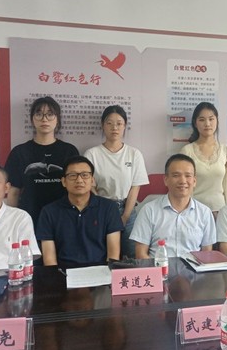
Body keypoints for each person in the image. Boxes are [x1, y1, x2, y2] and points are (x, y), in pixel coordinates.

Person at [83, 105, 149, 259]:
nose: (115, 128)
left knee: (132, 256)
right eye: (109, 123)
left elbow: (135, 188)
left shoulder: (134, 154)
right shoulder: (92, 154)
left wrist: (125, 217)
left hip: (127, 209)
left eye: (119, 123)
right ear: (102, 125)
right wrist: (105, 210)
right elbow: (89, 187)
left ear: (125, 126)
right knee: (102, 255)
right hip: (100, 209)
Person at [4, 96, 79, 230]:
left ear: (58, 119)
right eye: (39, 114)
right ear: (32, 119)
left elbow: (77, 188)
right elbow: (14, 191)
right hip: (29, 219)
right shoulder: (19, 152)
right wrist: (11, 223)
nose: (44, 119)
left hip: (64, 218)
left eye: (50, 114)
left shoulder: (69, 151)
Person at [37, 156, 123, 268]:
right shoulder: (49, 212)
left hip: (99, 272)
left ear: (92, 180)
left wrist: (107, 276)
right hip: (64, 273)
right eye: (73, 175)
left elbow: (113, 255)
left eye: (85, 175)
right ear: (64, 181)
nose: (79, 180)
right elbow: (49, 259)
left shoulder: (109, 208)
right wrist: (55, 277)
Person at [130, 154, 216, 258]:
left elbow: (207, 254)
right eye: (176, 175)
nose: (182, 181)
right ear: (166, 180)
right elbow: (141, 254)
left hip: (193, 268)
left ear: (194, 181)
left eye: (188, 176)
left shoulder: (205, 213)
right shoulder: (149, 210)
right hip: (158, 267)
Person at [180, 102, 227, 216]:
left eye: (211, 119)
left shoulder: (225, 151)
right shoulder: (187, 151)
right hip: (195, 212)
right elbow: (184, 186)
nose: (207, 124)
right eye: (202, 119)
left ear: (217, 121)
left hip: (220, 211)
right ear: (195, 123)